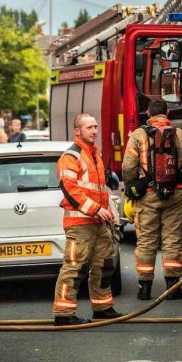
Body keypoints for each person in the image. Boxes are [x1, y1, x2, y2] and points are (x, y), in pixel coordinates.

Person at [122, 98, 182, 301]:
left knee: (146, 240)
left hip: (147, 195)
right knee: (172, 240)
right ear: (168, 114)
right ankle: (173, 289)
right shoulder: (181, 136)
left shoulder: (138, 136)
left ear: (148, 113)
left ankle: (144, 288)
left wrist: (131, 187)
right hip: (175, 194)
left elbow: (128, 166)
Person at [52, 113, 122, 325]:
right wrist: (94, 209)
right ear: (77, 131)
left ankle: (102, 308)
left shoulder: (93, 154)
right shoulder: (71, 156)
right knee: (75, 268)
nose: (94, 131)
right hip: (80, 224)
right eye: (89, 127)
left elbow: (98, 190)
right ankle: (64, 314)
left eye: (95, 127)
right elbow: (70, 189)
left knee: (104, 265)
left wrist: (108, 212)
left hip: (98, 222)